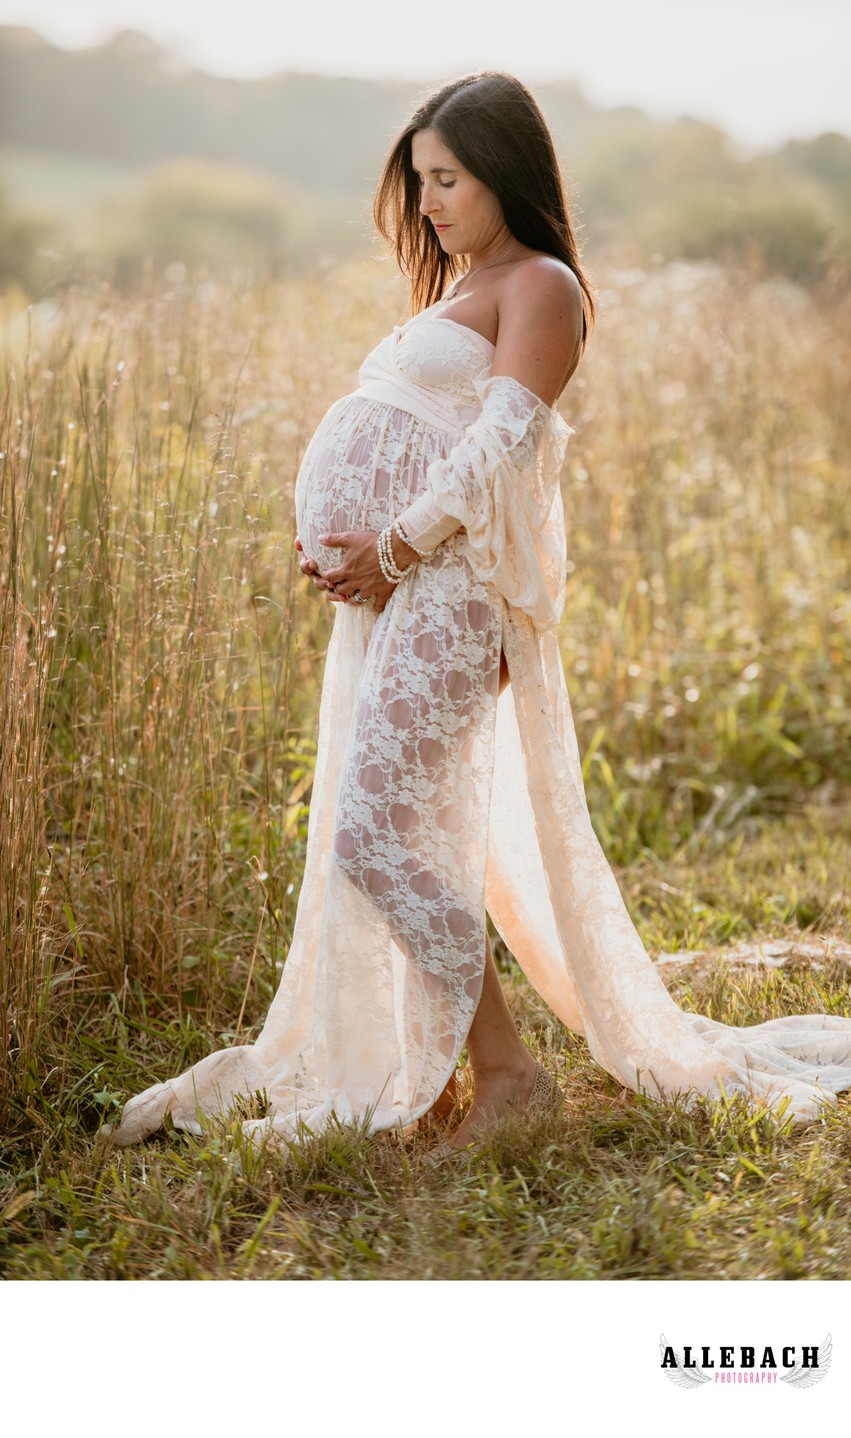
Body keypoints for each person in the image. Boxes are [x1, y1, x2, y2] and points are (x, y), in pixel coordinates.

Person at [105, 72, 851, 1154]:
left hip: (451, 588)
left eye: (447, 179)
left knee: (373, 825)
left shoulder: (540, 283)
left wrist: (392, 546)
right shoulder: (461, 288)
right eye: (419, 183)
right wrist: (351, 544)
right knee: (394, 825)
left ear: (505, 170)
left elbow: (498, 446)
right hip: (399, 587)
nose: (429, 203)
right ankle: (460, 1064)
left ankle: (503, 1071)